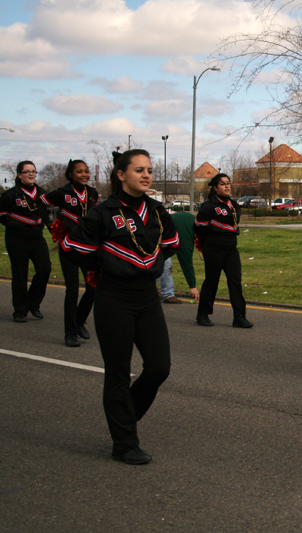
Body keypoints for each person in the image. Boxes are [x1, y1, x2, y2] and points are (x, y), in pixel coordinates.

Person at [61, 149, 179, 465]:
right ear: (121, 174)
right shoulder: (102, 212)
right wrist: (104, 263)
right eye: (139, 170)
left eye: (149, 170)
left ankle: (122, 415)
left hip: (147, 297)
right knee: (118, 373)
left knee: (159, 368)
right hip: (114, 298)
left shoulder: (157, 211)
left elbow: (170, 244)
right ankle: (124, 443)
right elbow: (72, 248)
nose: (146, 175)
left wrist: (148, 264)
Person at [41, 159, 99, 346]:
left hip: (88, 247)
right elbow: (41, 203)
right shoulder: (61, 193)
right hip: (68, 247)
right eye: (79, 171)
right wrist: (51, 224)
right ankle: (70, 333)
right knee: (72, 289)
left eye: (86, 171)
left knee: (93, 287)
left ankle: (79, 321)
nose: (84, 174)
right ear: (70, 175)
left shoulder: (92, 193)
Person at [194, 173, 252, 328]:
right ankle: (202, 315)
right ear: (215, 187)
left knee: (235, 282)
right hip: (213, 249)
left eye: (228, 183)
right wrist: (208, 242)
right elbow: (199, 227)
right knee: (211, 282)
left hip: (231, 250)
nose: (227, 186)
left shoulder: (233, 204)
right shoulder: (209, 206)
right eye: (223, 184)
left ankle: (239, 317)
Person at [0, 161, 52, 322]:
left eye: (33, 171)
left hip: (37, 238)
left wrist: (53, 229)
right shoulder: (10, 195)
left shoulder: (41, 193)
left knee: (44, 269)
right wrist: (17, 224)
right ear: (19, 175)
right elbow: (2, 216)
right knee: (20, 275)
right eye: (27, 171)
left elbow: (45, 215)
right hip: (16, 239)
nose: (31, 174)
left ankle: (33, 304)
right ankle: (20, 311)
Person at [168, 210, 200, 301]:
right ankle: (166, 294)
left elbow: (180, 214)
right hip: (153, 235)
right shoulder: (187, 235)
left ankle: (167, 294)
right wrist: (192, 286)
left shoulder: (191, 218)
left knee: (165, 262)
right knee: (165, 263)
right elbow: (186, 261)